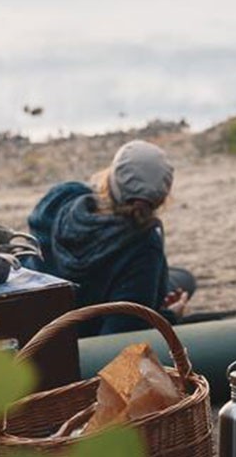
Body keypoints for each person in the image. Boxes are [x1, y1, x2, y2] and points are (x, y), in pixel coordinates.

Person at [27, 139, 194, 337]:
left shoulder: (61, 199)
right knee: (185, 281)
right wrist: (169, 317)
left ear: (109, 177)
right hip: (82, 342)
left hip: (34, 324)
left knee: (180, 279)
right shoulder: (144, 246)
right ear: (161, 198)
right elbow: (120, 339)